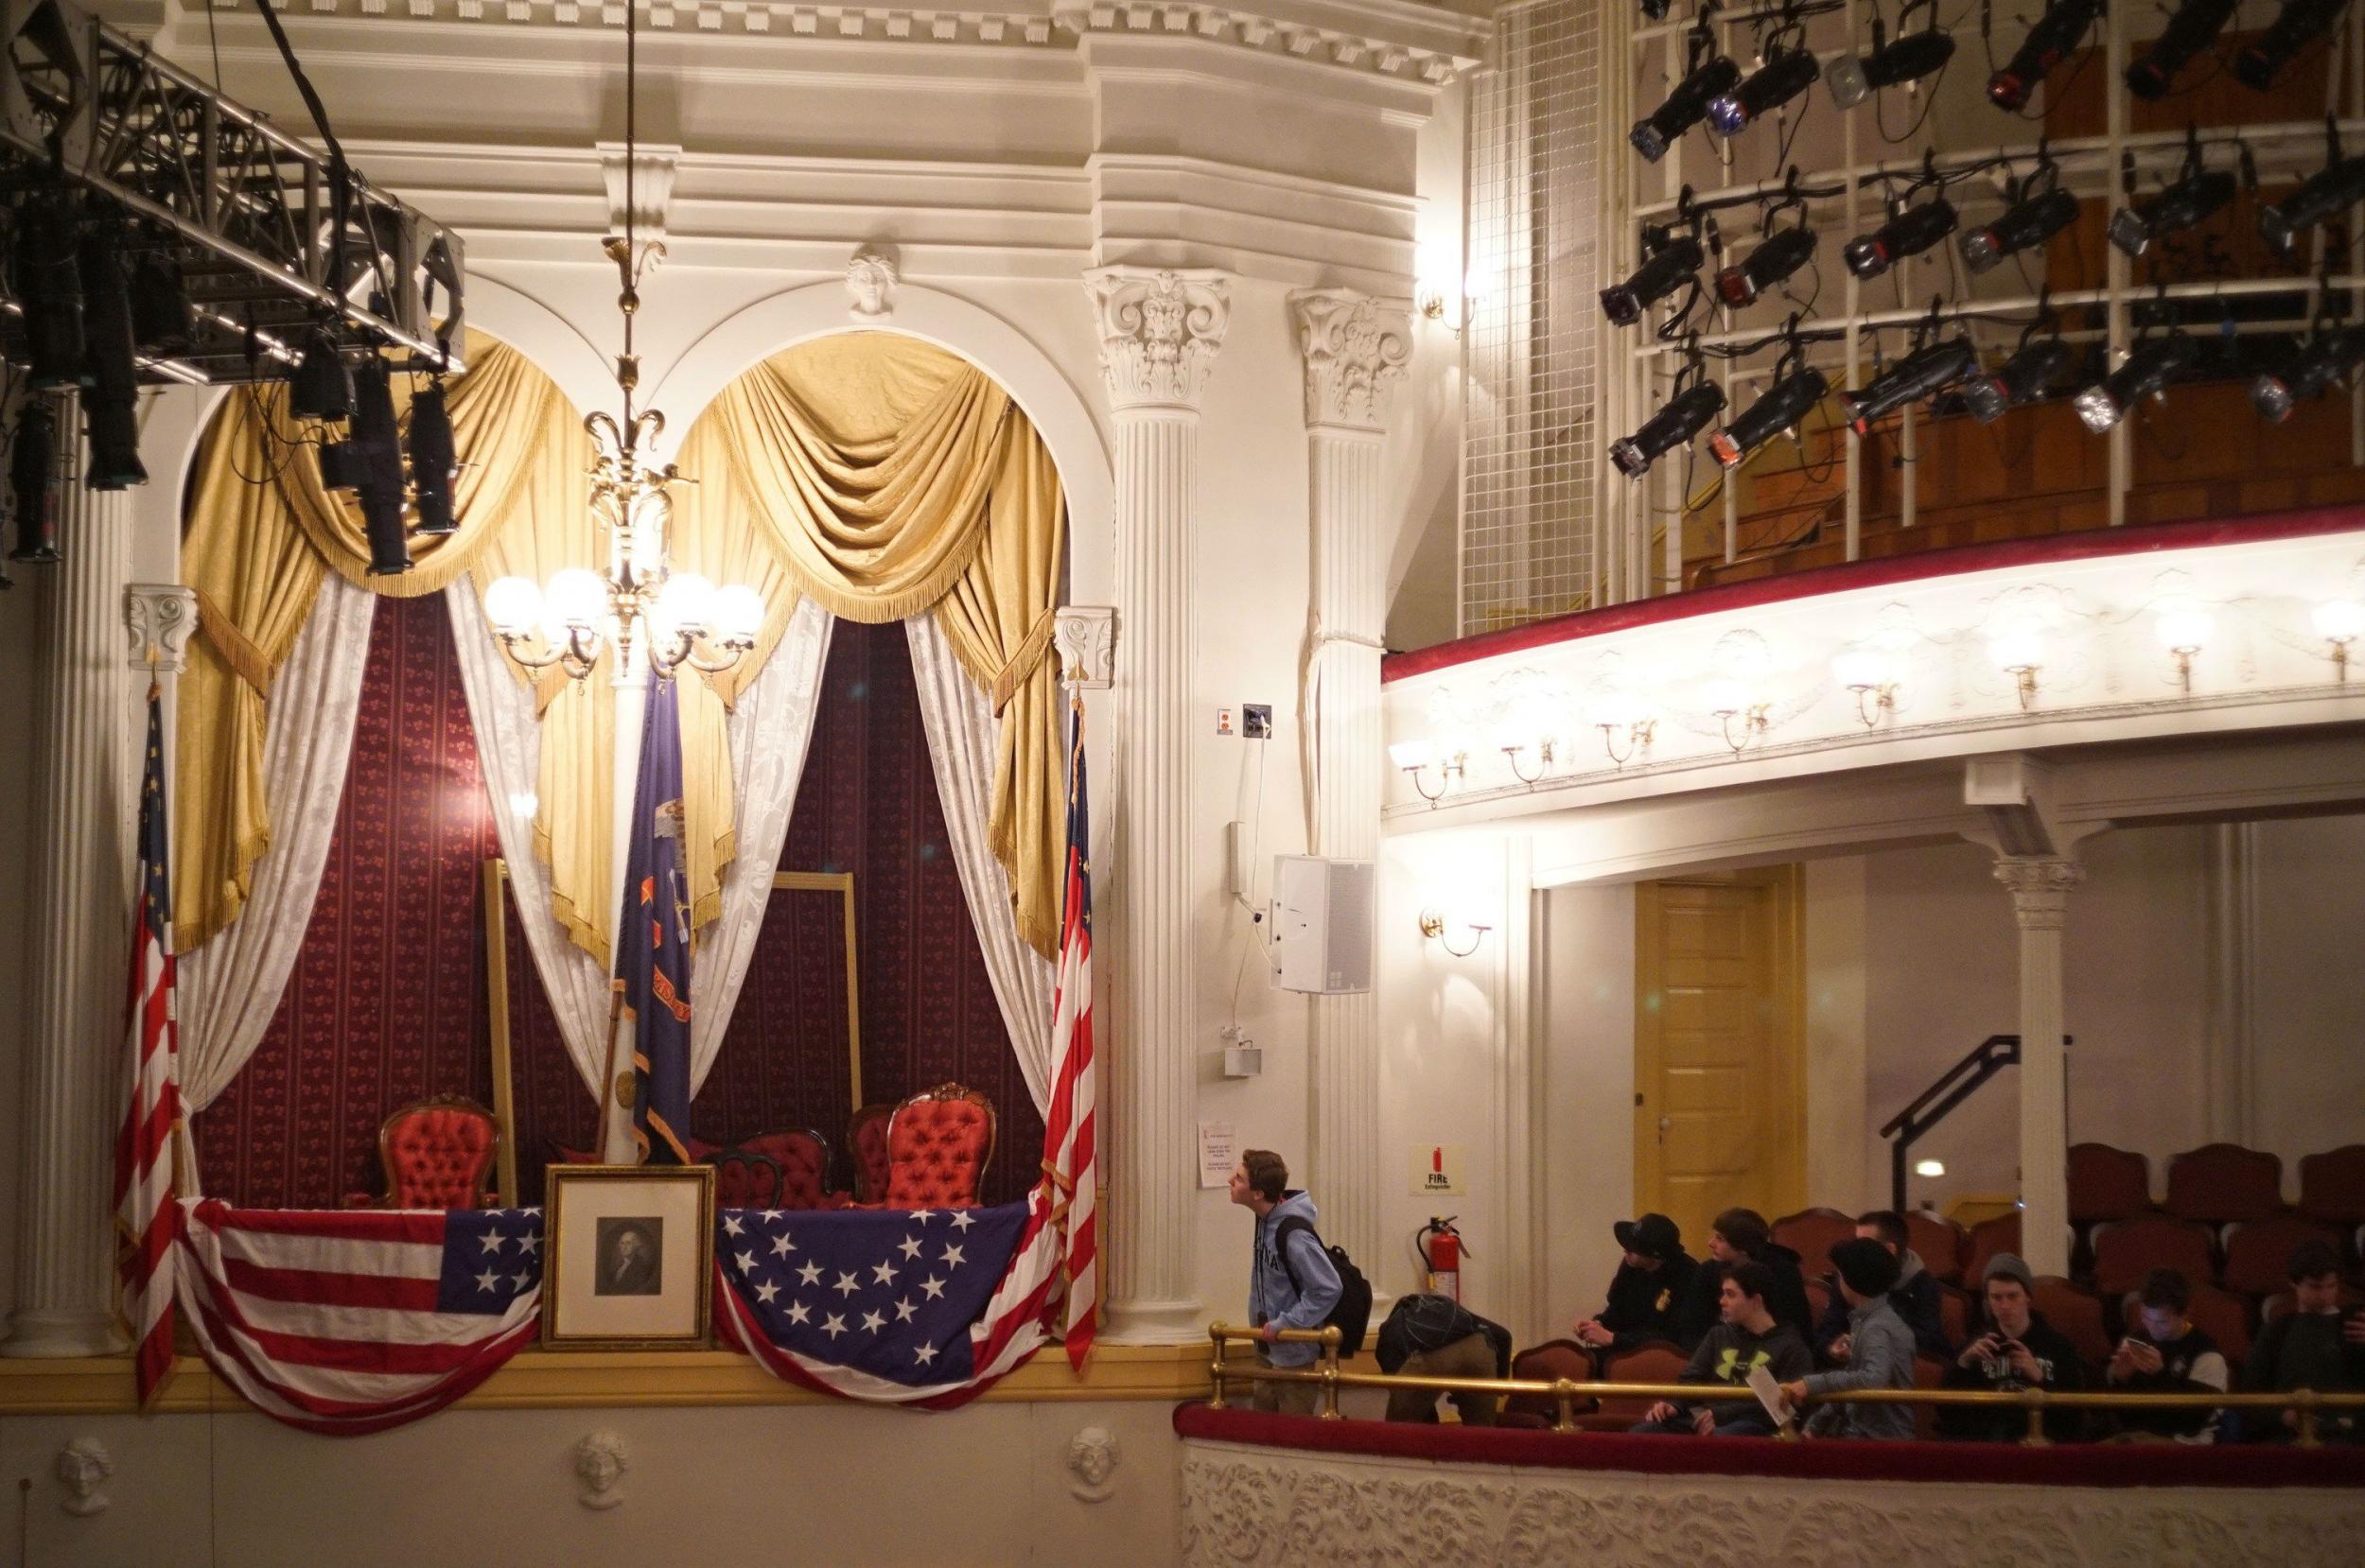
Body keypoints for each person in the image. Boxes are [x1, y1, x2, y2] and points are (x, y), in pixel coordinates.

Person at [1631, 1262, 1813, 1437]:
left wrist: (1721, 1415)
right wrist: (1675, 1405)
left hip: (1754, 1424)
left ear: (1756, 1300)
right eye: (1722, 1294)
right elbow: (1691, 1380)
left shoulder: (1791, 1346)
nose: (1722, 1301)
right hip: (1704, 1415)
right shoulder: (1718, 1335)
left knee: (1725, 1436)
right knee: (1645, 1431)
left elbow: (1784, 1406)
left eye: (1730, 1295)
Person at [1230, 1148, 1341, 1417]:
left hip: (1292, 1348)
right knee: (1264, 1427)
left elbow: (1328, 1288)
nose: (1230, 1180)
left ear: (1258, 1194)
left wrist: (1286, 1322)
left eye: (1239, 1178)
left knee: (1293, 1431)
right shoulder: (1264, 1220)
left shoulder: (1293, 1235)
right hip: (1266, 1345)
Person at [1938, 1253, 2086, 1441]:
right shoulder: (1975, 1345)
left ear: (2028, 1297)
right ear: (1988, 1302)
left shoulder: (2058, 1346)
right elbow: (1948, 1414)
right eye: (1997, 1298)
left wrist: (2039, 1377)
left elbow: (2074, 1418)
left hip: (2043, 1444)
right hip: (1989, 1446)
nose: (2005, 1305)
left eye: (2012, 1296)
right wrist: (1963, 1363)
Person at [1780, 1237, 1916, 1439]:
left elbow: (1873, 1379)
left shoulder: (1877, 1327)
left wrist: (1811, 1384)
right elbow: (1853, 1380)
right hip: (1865, 1435)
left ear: (1850, 1281)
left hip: (1879, 1442)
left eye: (1839, 1274)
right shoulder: (1869, 1321)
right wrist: (1815, 1425)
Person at [2238, 1239, 2365, 1443]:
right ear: (2294, 1283)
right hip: (2288, 1437)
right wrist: (2282, 1417)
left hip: (2350, 1437)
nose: (2325, 1295)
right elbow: (2251, 1395)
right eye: (2315, 1287)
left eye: (2331, 1286)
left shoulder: (2355, 1325)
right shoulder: (2277, 1331)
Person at [2106, 1267, 2228, 1443]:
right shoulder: (2137, 1342)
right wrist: (2121, 1381)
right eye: (2146, 1318)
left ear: (2184, 1313)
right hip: (2138, 1437)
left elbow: (2191, 1424)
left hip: (2185, 1444)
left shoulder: (2207, 1355)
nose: (2152, 1328)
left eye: (2162, 1322)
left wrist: (2160, 1376)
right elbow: (2128, 1419)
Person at [1814, 1210, 1950, 1365]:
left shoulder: (1923, 1284)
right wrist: (1832, 1349)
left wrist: (1866, 1343)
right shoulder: (1847, 1278)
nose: (1855, 1250)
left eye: (1864, 1244)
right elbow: (1826, 1331)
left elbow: (1926, 1340)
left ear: (1889, 1250)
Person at [1673, 1207, 1812, 1350]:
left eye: (1720, 1239)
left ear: (1743, 1248)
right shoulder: (1708, 1270)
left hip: (1770, 1353)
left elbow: (1795, 1327)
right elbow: (1692, 1325)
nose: (1711, 1243)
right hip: (1719, 1352)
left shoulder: (1782, 1272)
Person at [1376, 1293, 1512, 1425]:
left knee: (1399, 1431)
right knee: (1482, 1435)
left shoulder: (1391, 1330)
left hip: (1432, 1360)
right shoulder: (1454, 1313)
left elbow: (1401, 1386)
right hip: (1480, 1349)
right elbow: (1503, 1335)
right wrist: (1498, 1387)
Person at [1572, 1212, 1697, 1350]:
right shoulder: (1631, 1266)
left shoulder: (1689, 1276)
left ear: (1656, 1256)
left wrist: (1614, 1338)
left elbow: (1673, 1337)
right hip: (1625, 1347)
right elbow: (1617, 1309)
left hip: (1661, 1357)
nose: (1625, 1250)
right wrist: (1599, 1324)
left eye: (1633, 1249)